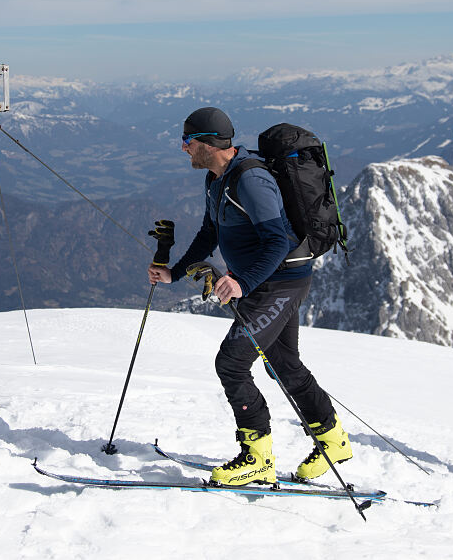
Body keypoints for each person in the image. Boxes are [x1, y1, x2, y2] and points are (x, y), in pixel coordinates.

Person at [146, 106, 352, 486]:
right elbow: (211, 233)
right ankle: (333, 440)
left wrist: (241, 281)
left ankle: (257, 457)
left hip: (280, 281)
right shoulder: (216, 178)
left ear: (208, 143)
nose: (183, 149)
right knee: (285, 364)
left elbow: (277, 241)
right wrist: (175, 272)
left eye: (188, 141)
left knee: (232, 363)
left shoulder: (250, 181)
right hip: (270, 281)